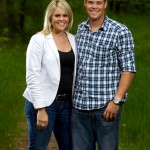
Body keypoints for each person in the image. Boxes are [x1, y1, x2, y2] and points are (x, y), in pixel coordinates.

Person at [72, 0, 136, 150]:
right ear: (85, 3)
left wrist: (116, 101)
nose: (94, 6)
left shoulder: (120, 31)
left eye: (99, 2)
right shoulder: (81, 29)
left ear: (105, 4)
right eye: (90, 2)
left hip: (106, 109)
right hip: (79, 108)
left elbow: (128, 69)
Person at [23, 0, 76, 149]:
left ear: (70, 17)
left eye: (65, 15)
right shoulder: (39, 40)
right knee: (38, 147)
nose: (61, 19)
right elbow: (32, 75)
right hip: (44, 104)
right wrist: (40, 109)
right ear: (50, 18)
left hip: (67, 104)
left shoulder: (73, 39)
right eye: (57, 15)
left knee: (69, 147)